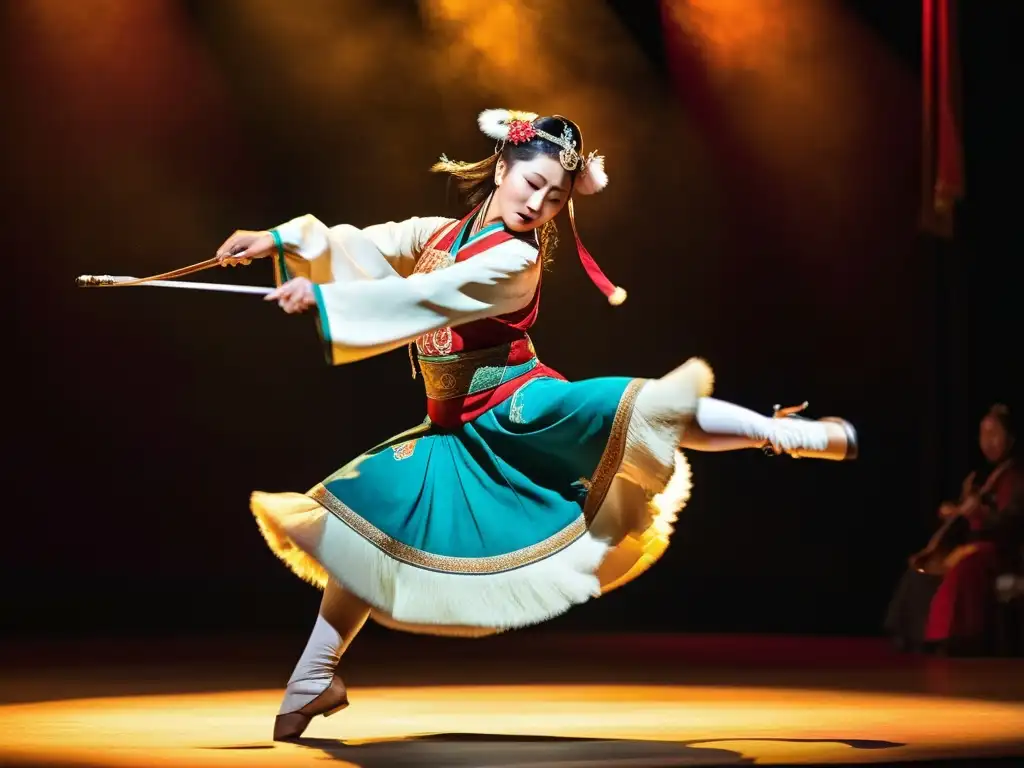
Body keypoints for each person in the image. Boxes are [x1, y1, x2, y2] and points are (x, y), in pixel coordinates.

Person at [213, 109, 858, 740]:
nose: (538, 203)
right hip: (453, 430)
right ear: (501, 168)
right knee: (363, 533)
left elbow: (418, 298)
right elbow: (365, 245)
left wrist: (324, 299)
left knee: (634, 404)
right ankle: (311, 678)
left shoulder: (513, 261)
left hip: (519, 411)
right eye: (531, 184)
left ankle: (788, 434)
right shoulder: (440, 233)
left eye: (553, 199)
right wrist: (274, 241)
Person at [886, 404, 1023, 654]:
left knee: (965, 569)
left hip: (1002, 550)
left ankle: (951, 639)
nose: (987, 442)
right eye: (983, 435)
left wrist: (982, 514)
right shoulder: (979, 478)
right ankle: (910, 634)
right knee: (924, 565)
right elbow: (965, 515)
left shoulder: (1017, 477)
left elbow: (1013, 522)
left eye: (995, 434)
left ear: (1011, 437)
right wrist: (955, 511)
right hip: (973, 546)